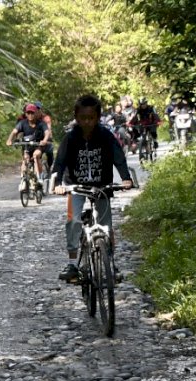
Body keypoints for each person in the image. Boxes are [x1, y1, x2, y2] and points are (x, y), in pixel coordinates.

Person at [50, 94, 134, 282]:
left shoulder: (106, 136)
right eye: (83, 118)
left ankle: (109, 264)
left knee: (106, 226)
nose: (87, 122)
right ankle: (72, 263)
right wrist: (57, 185)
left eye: (91, 118)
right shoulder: (70, 138)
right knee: (73, 221)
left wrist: (126, 178)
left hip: (102, 186)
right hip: (76, 187)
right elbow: (60, 163)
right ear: (76, 117)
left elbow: (118, 157)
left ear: (97, 117)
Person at [5, 103, 51, 191]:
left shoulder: (41, 123)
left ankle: (39, 177)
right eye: (28, 113)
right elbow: (14, 131)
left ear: (36, 113)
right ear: (26, 114)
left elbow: (47, 132)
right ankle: (23, 180)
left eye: (32, 113)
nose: (30, 115)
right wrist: (9, 140)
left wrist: (44, 140)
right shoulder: (22, 123)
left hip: (38, 145)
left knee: (36, 155)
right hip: (27, 146)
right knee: (25, 159)